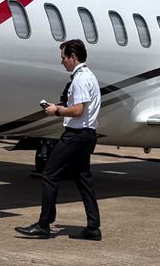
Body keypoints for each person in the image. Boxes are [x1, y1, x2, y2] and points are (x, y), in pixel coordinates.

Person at [16, 39, 102, 241]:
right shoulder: (89, 76)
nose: (62, 62)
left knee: (49, 174)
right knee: (83, 179)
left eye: (63, 57)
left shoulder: (80, 79)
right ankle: (93, 227)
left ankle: (44, 225)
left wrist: (56, 111)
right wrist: (60, 107)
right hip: (87, 134)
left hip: (76, 135)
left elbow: (78, 110)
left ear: (73, 57)